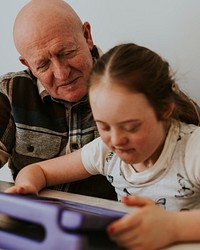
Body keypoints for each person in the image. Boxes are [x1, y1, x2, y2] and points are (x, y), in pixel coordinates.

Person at [6, 42, 200, 250]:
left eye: (131, 127)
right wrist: (26, 190)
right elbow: (39, 171)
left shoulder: (192, 149)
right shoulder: (105, 152)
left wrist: (173, 227)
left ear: (164, 110)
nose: (116, 140)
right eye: (104, 126)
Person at [0, 0, 117, 200]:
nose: (62, 74)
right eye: (43, 64)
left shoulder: (131, 82)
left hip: (110, 223)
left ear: (87, 36)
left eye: (67, 53)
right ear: (27, 63)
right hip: (34, 220)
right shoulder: (11, 90)